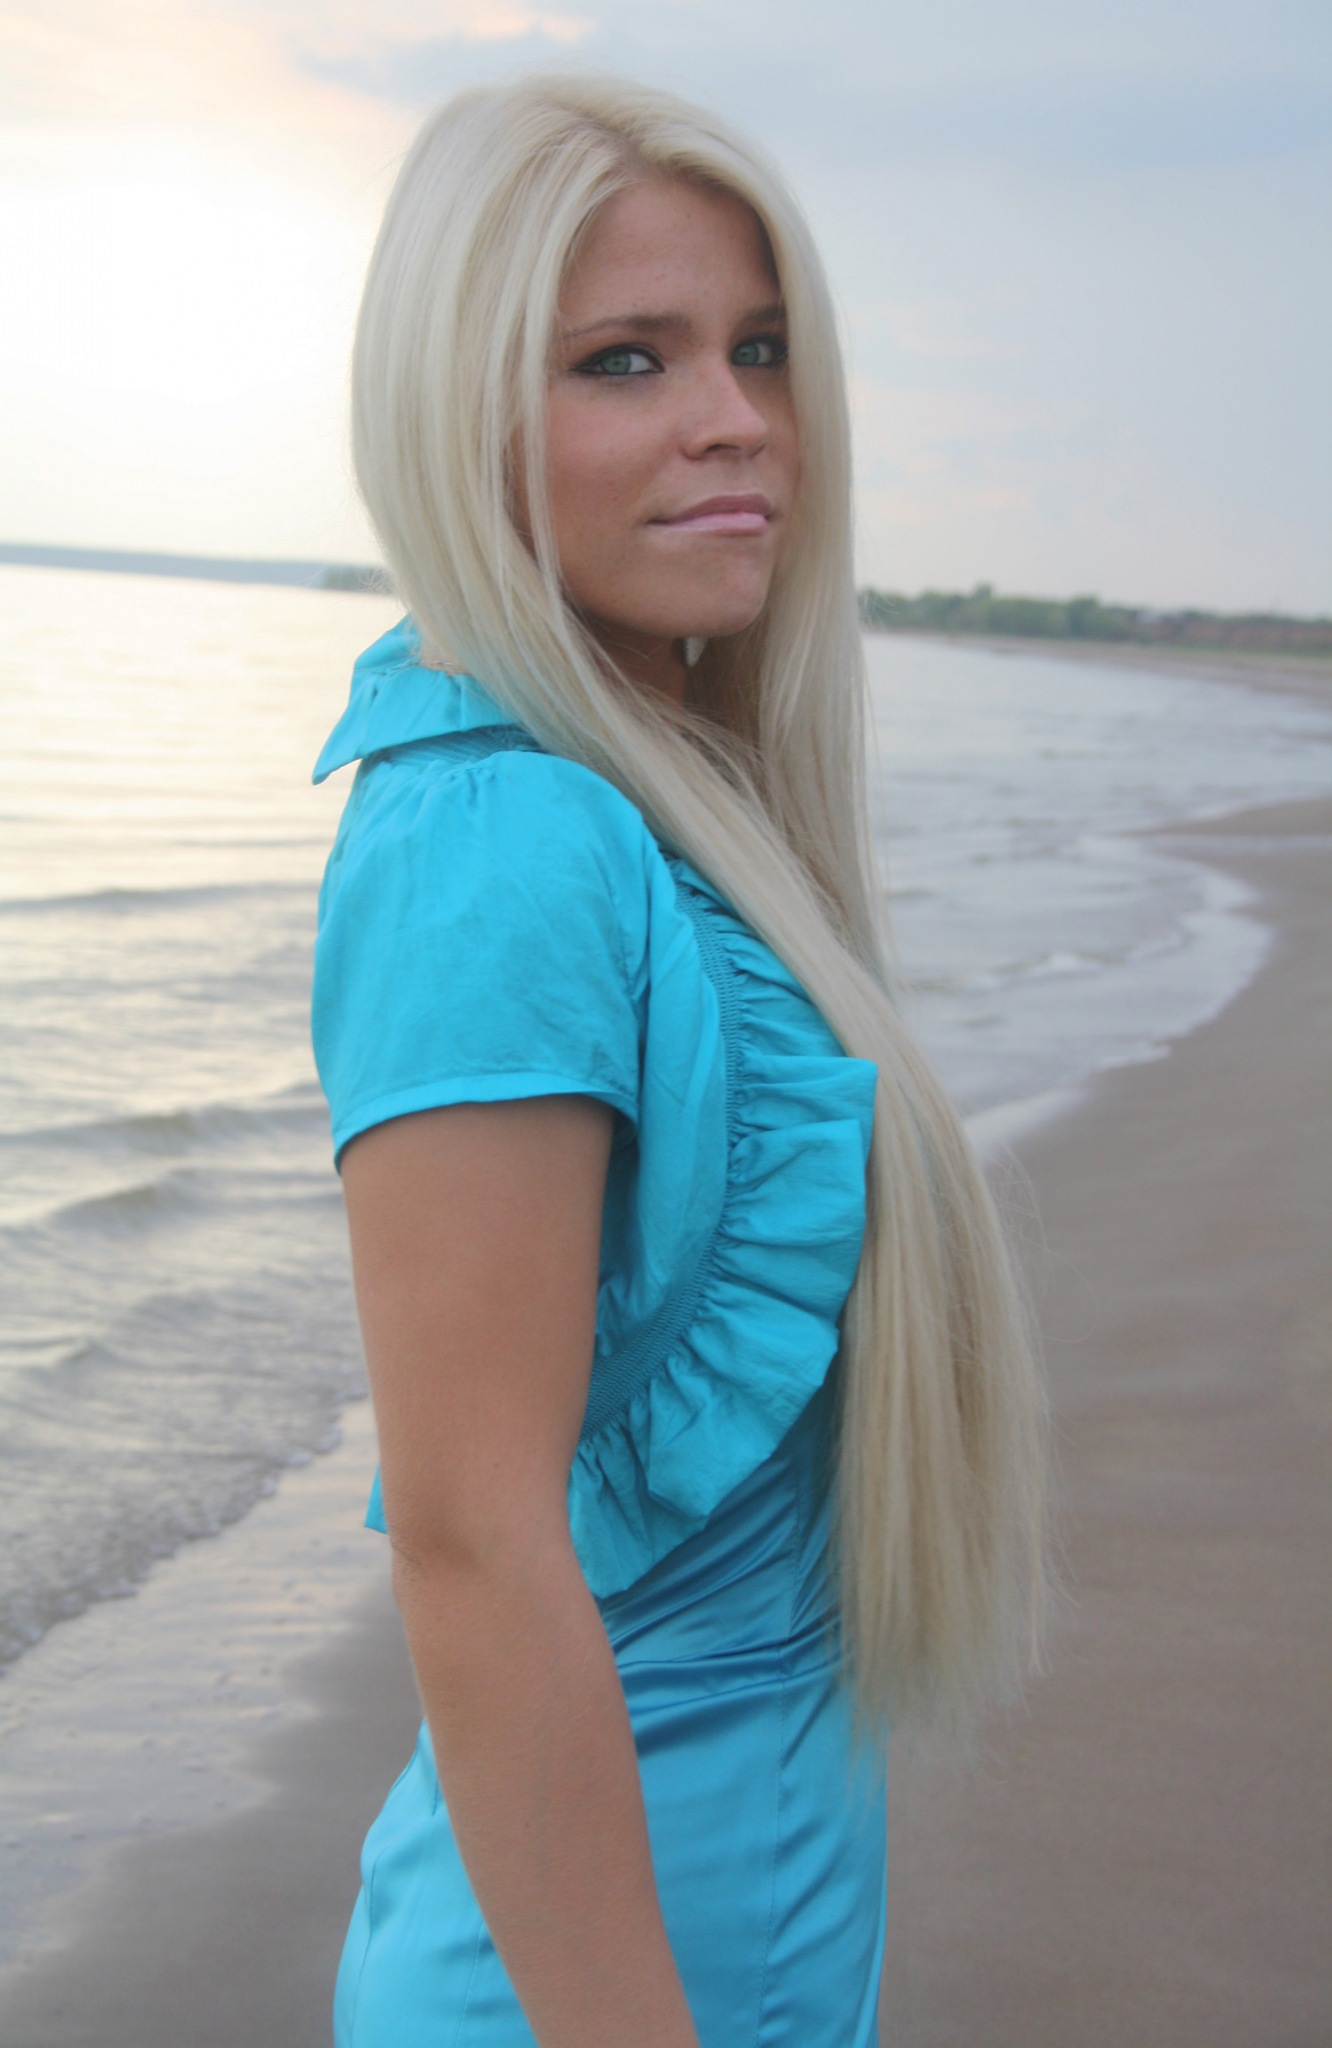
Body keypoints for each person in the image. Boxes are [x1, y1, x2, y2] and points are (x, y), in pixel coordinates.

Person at [311, 72, 1045, 2048]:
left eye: (760, 348)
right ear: (461, 419)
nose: (735, 418)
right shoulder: (503, 839)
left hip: (735, 1929)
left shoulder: (666, 803)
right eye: (625, 360)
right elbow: (468, 1537)